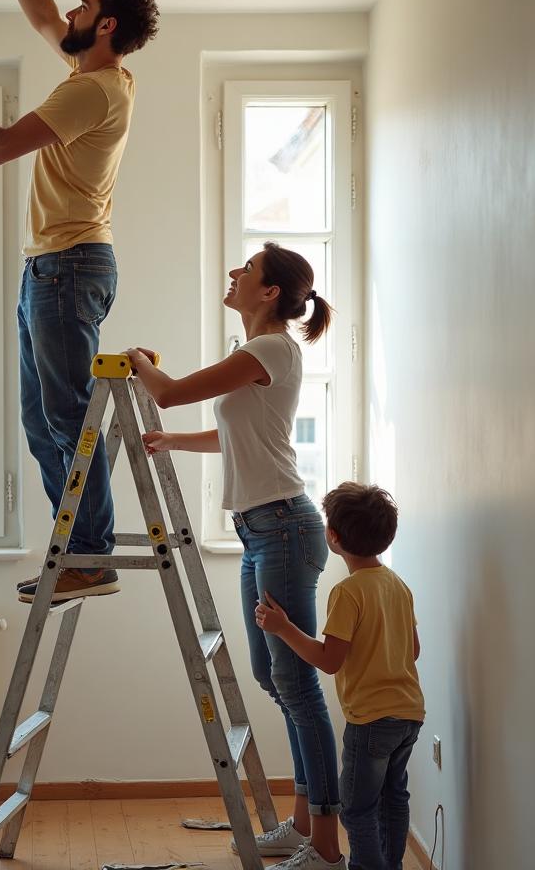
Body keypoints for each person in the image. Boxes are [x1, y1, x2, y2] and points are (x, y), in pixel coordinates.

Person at [0, 0, 159, 604]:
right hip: (53, 269)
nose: (72, 10)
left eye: (86, 6)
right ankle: (80, 555)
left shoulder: (91, 88)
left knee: (64, 418)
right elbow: (43, 17)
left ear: (109, 26)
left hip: (68, 267)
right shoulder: (93, 72)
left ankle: (90, 558)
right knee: (42, 424)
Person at [126, 243, 346, 870]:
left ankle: (326, 845)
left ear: (271, 291)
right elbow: (237, 434)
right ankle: (304, 823)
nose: (234, 274)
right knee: (273, 678)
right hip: (261, 528)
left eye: (246, 269)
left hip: (281, 526)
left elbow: (167, 392)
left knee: (297, 685)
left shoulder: (268, 349)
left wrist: (137, 361)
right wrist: (173, 442)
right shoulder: (259, 356)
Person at [256, 482, 426, 870]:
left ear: (332, 537)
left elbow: (330, 660)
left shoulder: (347, 592)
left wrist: (283, 628)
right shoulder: (398, 585)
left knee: (357, 811)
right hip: (410, 715)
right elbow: (413, 650)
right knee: (394, 800)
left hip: (370, 721)